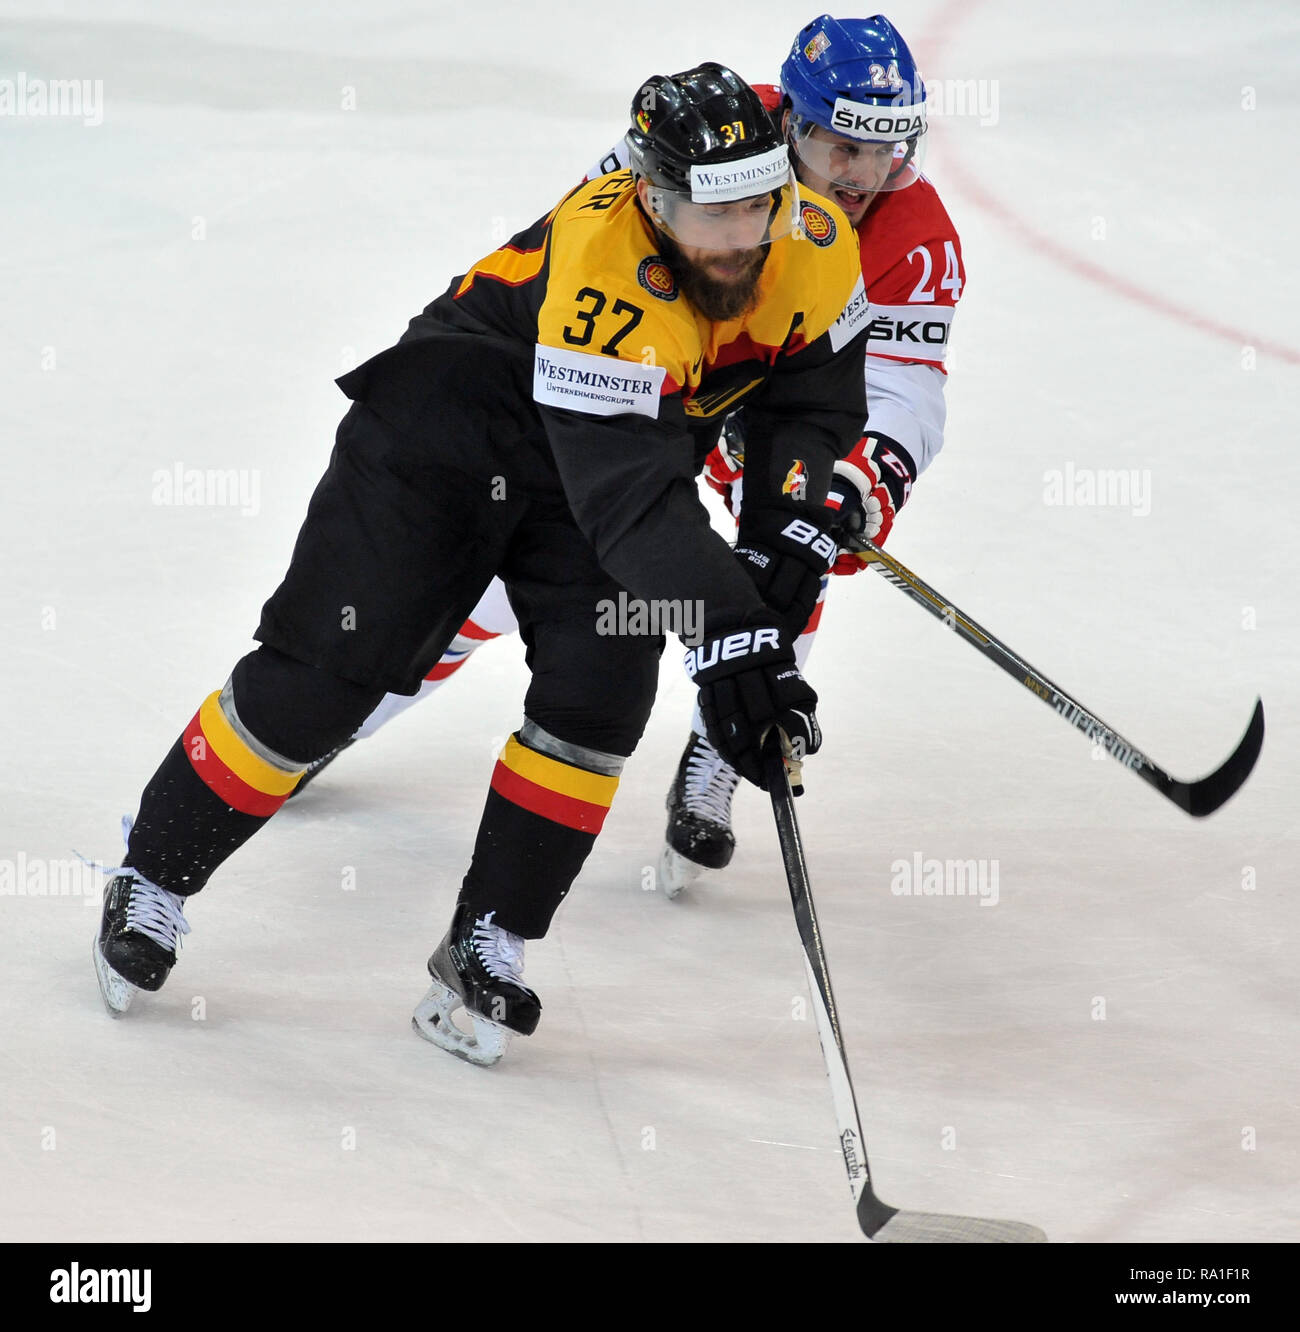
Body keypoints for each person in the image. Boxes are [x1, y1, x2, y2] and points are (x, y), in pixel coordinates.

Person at [94, 63, 873, 1067]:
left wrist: (787, 539)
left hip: (601, 466)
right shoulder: (604, 265)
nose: (736, 240)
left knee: (596, 700)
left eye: (757, 207)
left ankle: (483, 943)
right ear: (648, 192)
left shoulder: (814, 240)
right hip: (443, 445)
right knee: (320, 689)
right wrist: (734, 633)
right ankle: (152, 870)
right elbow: (631, 499)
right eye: (702, 214)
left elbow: (807, 404)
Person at [290, 14, 967, 901]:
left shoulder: (916, 237)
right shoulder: (696, 141)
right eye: (841, 146)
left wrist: (859, 478)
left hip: (784, 398)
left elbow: (903, 389)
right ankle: (344, 712)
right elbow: (586, 269)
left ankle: (728, 745)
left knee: (790, 561)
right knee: (507, 580)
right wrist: (692, 415)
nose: (864, 176)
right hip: (638, 397)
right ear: (790, 122)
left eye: (884, 149)